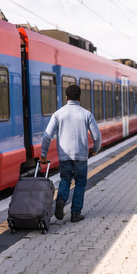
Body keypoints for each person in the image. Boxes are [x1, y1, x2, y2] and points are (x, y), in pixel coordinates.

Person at [40, 84, 101, 222]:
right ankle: (75, 213)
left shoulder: (58, 114)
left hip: (64, 155)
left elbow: (47, 136)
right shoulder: (86, 114)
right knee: (80, 182)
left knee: (65, 179)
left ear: (66, 97)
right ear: (80, 97)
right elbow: (97, 137)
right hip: (81, 155)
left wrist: (44, 155)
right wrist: (95, 150)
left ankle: (61, 200)